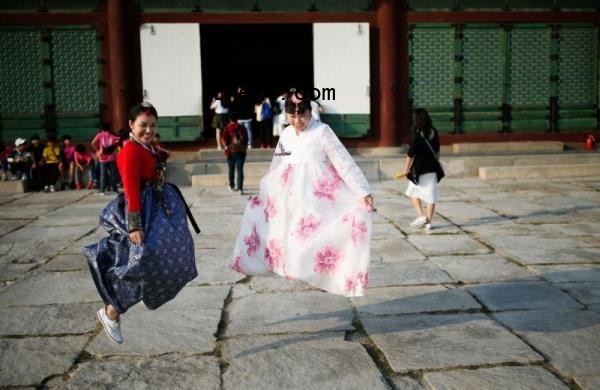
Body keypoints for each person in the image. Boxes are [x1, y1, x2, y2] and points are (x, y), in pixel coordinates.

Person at [229, 92, 374, 297]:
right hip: (288, 191)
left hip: (315, 191)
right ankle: (287, 266)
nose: (297, 121)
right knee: (281, 230)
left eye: (302, 115)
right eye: (292, 116)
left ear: (310, 111)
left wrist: (362, 190)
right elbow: (278, 163)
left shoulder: (323, 132)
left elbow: (343, 161)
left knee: (317, 232)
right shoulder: (287, 134)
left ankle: (321, 270)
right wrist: (267, 189)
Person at [84, 102, 199, 344]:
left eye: (153, 126)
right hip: (141, 213)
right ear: (130, 125)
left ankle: (117, 308)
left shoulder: (146, 148)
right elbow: (131, 191)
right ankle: (112, 311)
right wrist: (134, 225)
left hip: (156, 209)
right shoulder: (129, 152)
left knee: (168, 257)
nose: (148, 130)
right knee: (141, 264)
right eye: (143, 126)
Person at [396, 108, 441, 233]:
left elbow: (410, 154)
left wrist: (405, 170)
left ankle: (421, 216)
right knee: (431, 196)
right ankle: (429, 223)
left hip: (419, 169)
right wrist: (436, 163)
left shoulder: (417, 135)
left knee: (413, 192)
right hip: (432, 168)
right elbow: (437, 151)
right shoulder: (434, 132)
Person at [221, 113, 248, 195]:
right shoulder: (242, 127)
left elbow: (224, 138)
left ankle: (231, 186)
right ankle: (240, 188)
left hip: (231, 151)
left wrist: (226, 146)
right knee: (240, 170)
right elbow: (246, 139)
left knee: (231, 169)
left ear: (230, 119)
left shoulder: (228, 127)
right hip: (241, 152)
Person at [91, 125, 119, 195]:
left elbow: (93, 143)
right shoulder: (112, 135)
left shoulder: (100, 135)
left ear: (102, 129)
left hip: (103, 157)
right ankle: (115, 189)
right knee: (113, 174)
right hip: (112, 157)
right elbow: (117, 142)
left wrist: (97, 150)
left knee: (103, 174)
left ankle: (102, 190)